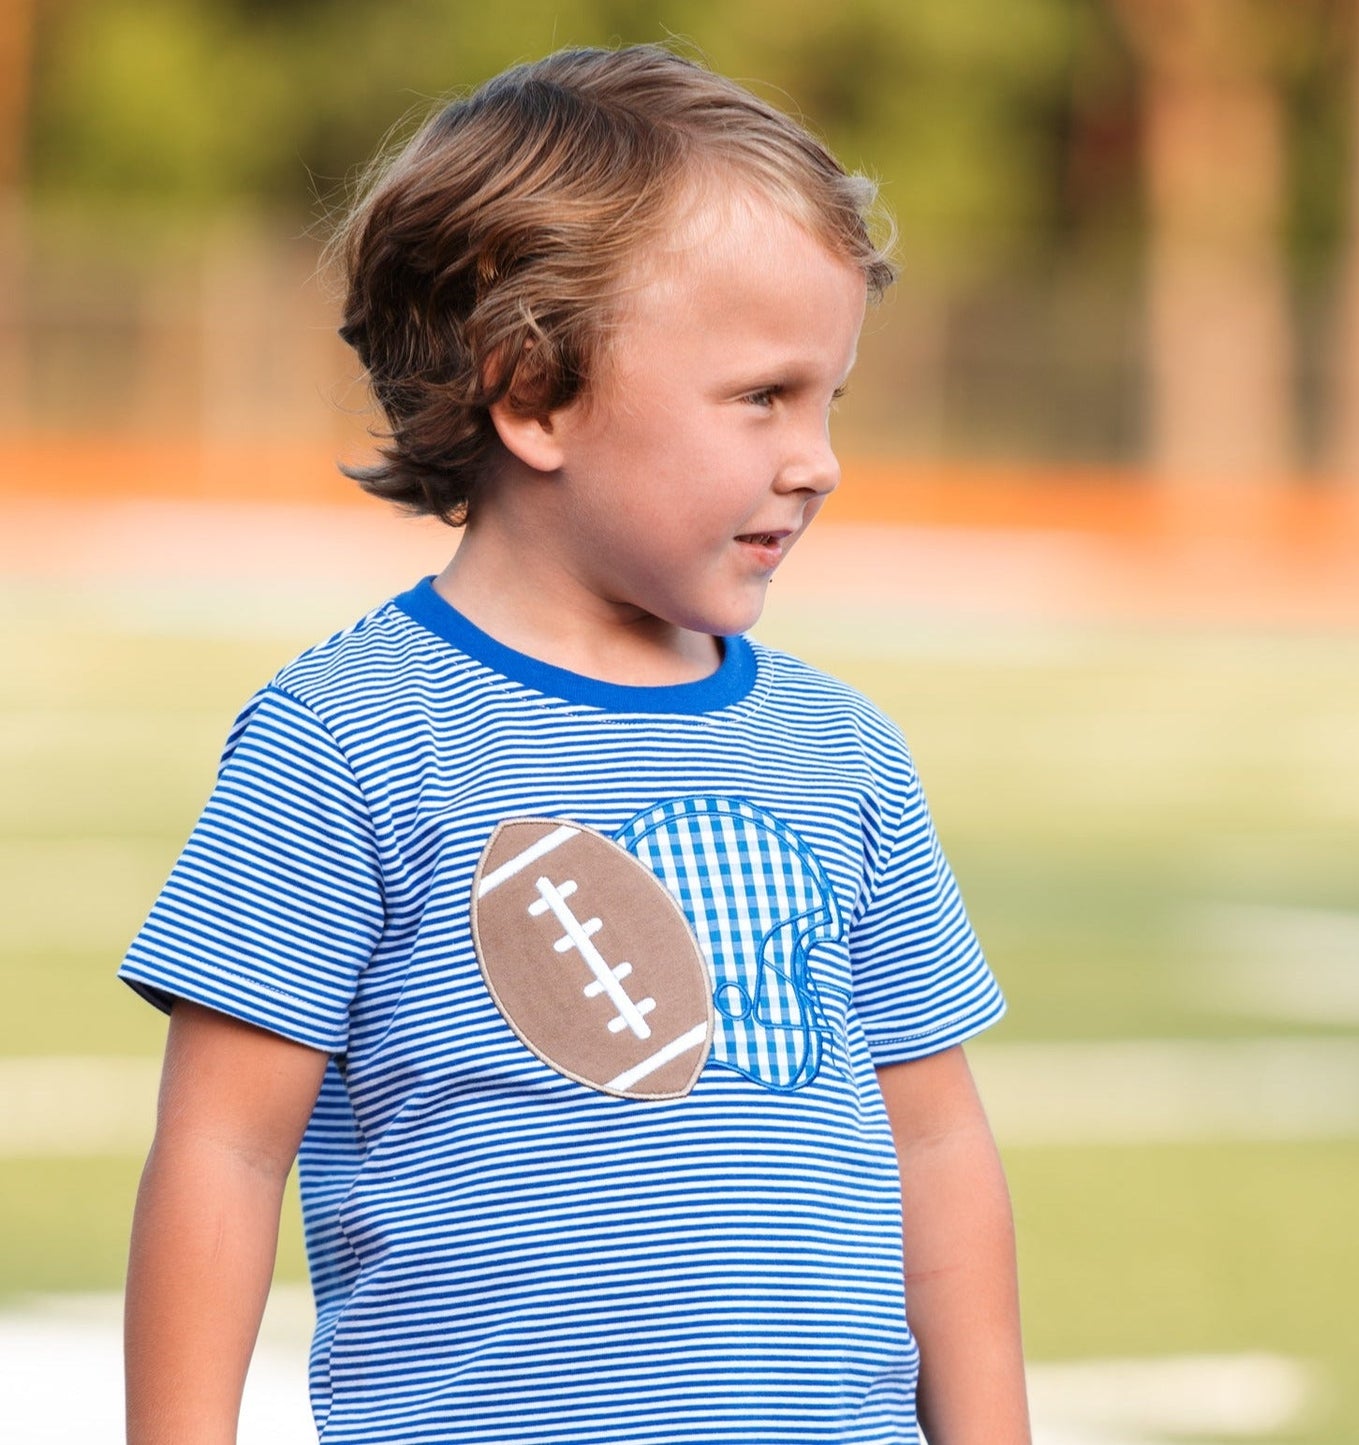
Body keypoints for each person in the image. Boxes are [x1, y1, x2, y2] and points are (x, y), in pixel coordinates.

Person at [121, 44, 1031, 1445]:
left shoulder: (841, 749)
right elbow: (223, 1149)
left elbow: (936, 1139)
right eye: (763, 395)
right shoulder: (348, 738)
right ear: (535, 395)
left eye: (829, 399)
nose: (818, 460)